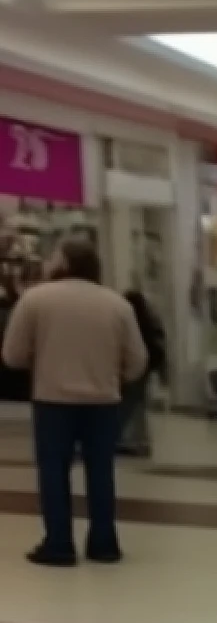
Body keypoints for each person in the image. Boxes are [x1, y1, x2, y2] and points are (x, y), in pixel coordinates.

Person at [0, 239, 148, 566]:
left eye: (53, 257)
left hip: (53, 400)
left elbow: (12, 355)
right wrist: (113, 375)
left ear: (64, 263)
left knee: (53, 471)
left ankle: (59, 544)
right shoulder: (117, 305)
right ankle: (104, 543)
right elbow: (137, 361)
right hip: (103, 402)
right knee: (101, 471)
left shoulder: (36, 299)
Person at [119, 290, 167, 457]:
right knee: (139, 404)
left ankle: (130, 440)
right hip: (146, 367)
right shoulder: (148, 323)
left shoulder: (128, 323)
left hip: (131, 367)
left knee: (128, 405)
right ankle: (140, 441)